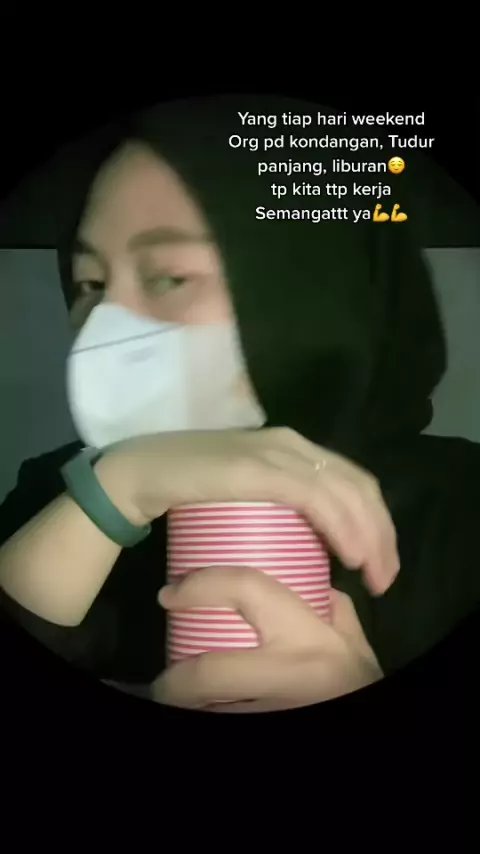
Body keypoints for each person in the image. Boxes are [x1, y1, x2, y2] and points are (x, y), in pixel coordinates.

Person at [0, 96, 479, 711]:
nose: (102, 327)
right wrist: (117, 491)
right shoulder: (54, 492)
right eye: (90, 283)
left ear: (313, 286)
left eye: (169, 276)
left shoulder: (464, 509)